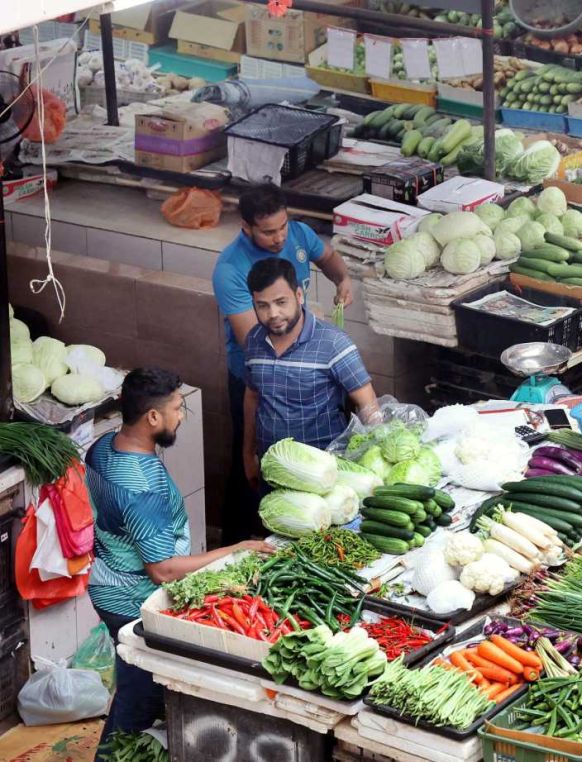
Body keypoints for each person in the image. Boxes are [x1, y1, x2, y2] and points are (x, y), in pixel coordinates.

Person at [86, 368, 273, 747]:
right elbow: (163, 570)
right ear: (153, 417)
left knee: (137, 688)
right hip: (131, 601)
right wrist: (234, 550)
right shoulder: (141, 486)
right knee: (140, 700)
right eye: (176, 408)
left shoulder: (104, 445)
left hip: (106, 581)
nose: (181, 415)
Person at [213, 184, 354, 542]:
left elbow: (330, 259)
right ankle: (241, 544)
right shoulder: (230, 269)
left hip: (309, 370)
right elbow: (255, 342)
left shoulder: (300, 234)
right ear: (246, 227)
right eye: (267, 231)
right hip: (257, 378)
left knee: (305, 467)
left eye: (282, 227)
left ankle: (308, 535)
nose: (278, 238)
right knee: (254, 466)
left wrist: (343, 279)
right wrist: (314, 327)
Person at [243, 258, 378, 488]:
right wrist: (248, 454)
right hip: (273, 469)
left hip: (323, 476)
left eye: (280, 302)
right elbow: (252, 397)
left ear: (298, 296)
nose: (273, 313)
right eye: (263, 305)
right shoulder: (254, 341)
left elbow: (369, 406)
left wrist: (375, 461)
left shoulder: (334, 343)